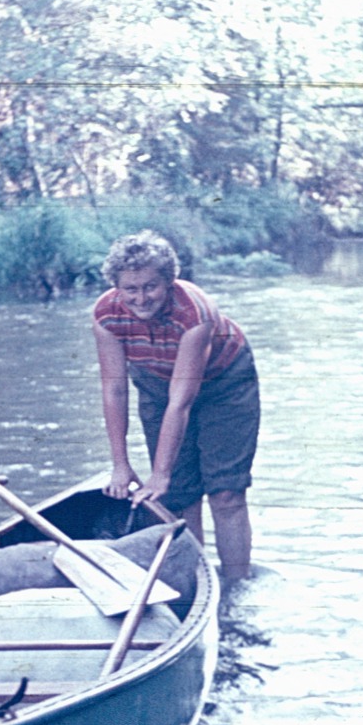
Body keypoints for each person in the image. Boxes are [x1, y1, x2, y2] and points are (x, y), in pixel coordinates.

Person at [92, 230, 260, 581]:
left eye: (150, 286)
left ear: (169, 281)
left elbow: (181, 402)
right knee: (179, 497)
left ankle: (236, 584)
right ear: (117, 288)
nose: (141, 298)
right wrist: (121, 466)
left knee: (226, 492)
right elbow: (115, 390)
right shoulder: (106, 315)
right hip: (155, 382)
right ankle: (196, 583)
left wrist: (160, 472)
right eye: (131, 289)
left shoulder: (192, 314)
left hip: (225, 384)